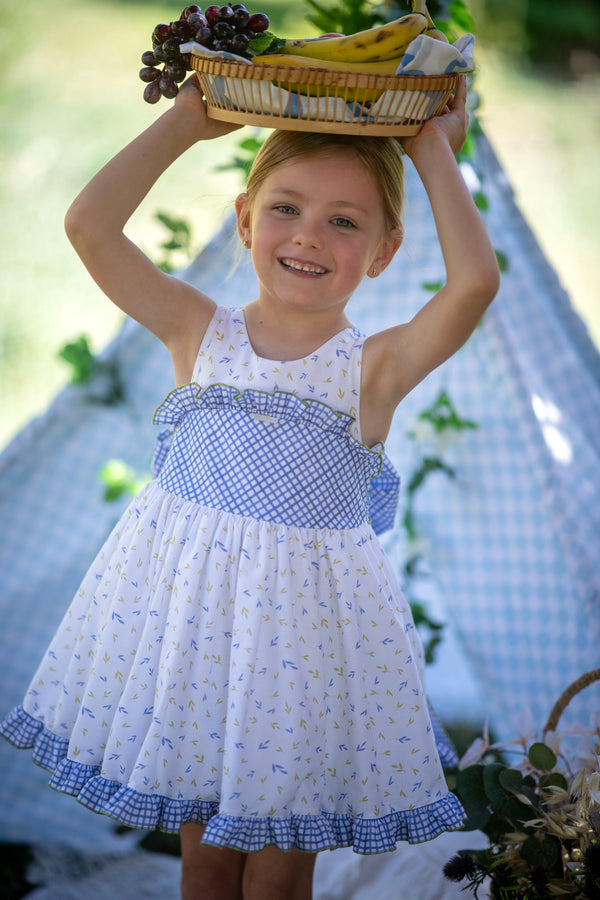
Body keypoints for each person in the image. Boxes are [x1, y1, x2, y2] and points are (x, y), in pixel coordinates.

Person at [0, 72, 499, 900]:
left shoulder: (371, 370)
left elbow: (473, 284)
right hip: (199, 646)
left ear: (382, 253)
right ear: (244, 218)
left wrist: (432, 152)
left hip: (303, 668)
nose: (309, 236)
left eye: (344, 222)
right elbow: (89, 225)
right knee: (204, 864)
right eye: (286, 208)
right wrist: (184, 124)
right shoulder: (199, 333)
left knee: (273, 880)